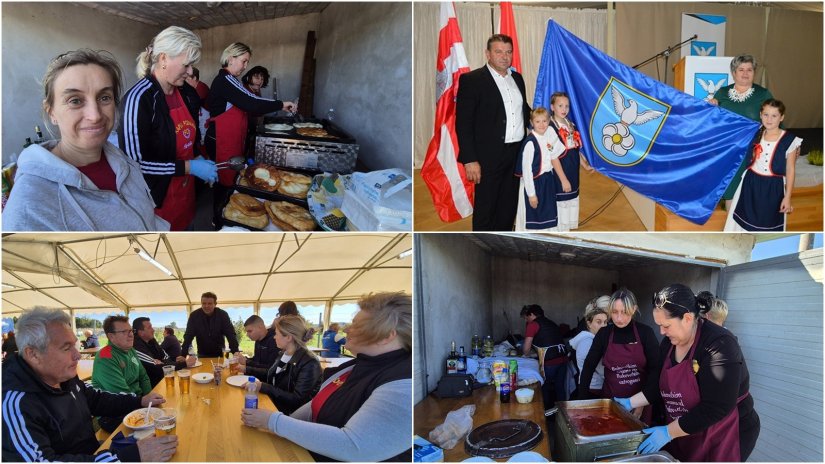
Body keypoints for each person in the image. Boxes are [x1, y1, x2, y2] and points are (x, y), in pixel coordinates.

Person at [3, 49, 169, 231]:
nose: (95, 115)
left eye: (104, 97)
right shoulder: (29, 206)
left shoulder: (122, 163)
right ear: (51, 112)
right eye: (75, 101)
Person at [241, 292, 412, 462]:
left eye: (357, 325)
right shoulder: (354, 366)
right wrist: (278, 427)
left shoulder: (403, 384)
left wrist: (274, 422)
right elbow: (314, 405)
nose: (346, 329)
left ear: (387, 335)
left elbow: (354, 446)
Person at [1, 308, 176, 461]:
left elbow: (96, 400)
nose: (78, 355)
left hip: (95, 452)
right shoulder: (17, 404)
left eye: (75, 346)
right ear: (33, 354)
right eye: (66, 347)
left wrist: (140, 401)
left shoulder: (63, 378)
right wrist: (130, 457)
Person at [616, 284, 760, 461]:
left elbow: (717, 406)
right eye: (659, 325)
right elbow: (658, 385)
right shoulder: (669, 344)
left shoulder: (719, 344)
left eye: (666, 325)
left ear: (687, 318)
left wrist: (668, 432)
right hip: (687, 429)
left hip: (727, 432)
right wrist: (629, 403)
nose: (661, 331)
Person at [119, 26, 217, 231]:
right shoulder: (139, 99)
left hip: (186, 193)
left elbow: (192, 135)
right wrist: (189, 167)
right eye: (187, 64)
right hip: (157, 202)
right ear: (163, 59)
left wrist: (198, 156)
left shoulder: (188, 93)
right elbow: (133, 166)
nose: (191, 72)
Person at [206, 42, 294, 223]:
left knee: (227, 181)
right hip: (222, 139)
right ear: (231, 59)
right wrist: (281, 104)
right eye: (244, 61)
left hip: (228, 138)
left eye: (247, 62)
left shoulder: (228, 80)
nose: (245, 66)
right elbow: (252, 101)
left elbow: (250, 105)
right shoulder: (225, 80)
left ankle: (223, 215)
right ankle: (220, 219)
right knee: (224, 182)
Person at [456, 34, 531, 231]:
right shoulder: (472, 80)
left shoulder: (518, 78)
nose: (504, 56)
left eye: (508, 52)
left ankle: (505, 235)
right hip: (487, 157)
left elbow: (524, 110)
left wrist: (552, 120)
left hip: (515, 154)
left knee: (508, 205)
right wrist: (470, 159)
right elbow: (463, 124)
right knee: (486, 207)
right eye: (498, 52)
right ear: (487, 53)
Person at [578, 289, 659, 425]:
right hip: (610, 402)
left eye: (625, 312)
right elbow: (588, 366)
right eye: (615, 312)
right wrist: (583, 402)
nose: (619, 318)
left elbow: (656, 370)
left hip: (641, 402)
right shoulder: (604, 334)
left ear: (634, 309)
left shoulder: (645, 333)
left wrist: (641, 403)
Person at [725, 99, 802, 232]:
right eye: (766, 114)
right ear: (760, 114)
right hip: (750, 183)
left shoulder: (790, 140)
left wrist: (787, 197)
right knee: (741, 221)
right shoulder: (755, 131)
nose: (769, 119)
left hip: (773, 188)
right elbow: (728, 128)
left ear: (781, 117)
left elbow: (790, 169)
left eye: (774, 115)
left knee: (769, 222)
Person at [708, 54, 774, 209]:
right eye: (741, 69)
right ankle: (731, 223)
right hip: (726, 148)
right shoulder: (722, 93)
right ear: (734, 72)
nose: (745, 73)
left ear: (754, 72)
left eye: (749, 70)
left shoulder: (763, 94)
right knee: (730, 187)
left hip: (752, 150)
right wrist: (711, 109)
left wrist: (789, 144)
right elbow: (713, 122)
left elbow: (776, 120)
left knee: (746, 188)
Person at [244, 315, 322, 415]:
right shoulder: (283, 353)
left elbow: (297, 400)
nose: (274, 337)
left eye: (276, 334)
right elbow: (271, 373)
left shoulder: (309, 363)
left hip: (289, 416)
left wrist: (264, 387)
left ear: (288, 337)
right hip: (275, 406)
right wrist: (247, 369)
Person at [92, 315, 154, 432]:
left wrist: (150, 400)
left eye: (130, 330)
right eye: (124, 332)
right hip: (113, 414)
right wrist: (144, 403)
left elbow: (143, 377)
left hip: (136, 403)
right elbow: (122, 394)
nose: (131, 334)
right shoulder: (105, 357)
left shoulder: (131, 351)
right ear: (111, 336)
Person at [514, 107, 568, 231]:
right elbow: (527, 172)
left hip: (547, 181)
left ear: (548, 121)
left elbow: (553, 155)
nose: (542, 124)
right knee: (535, 215)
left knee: (547, 214)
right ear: (532, 123)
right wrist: (531, 195)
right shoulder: (530, 143)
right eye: (538, 122)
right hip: (534, 183)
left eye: (544, 121)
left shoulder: (547, 134)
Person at [548, 92, 593, 231]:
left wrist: (584, 165)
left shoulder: (571, 125)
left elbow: (575, 149)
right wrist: (563, 179)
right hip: (560, 175)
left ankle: (566, 231)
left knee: (570, 203)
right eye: (560, 105)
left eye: (567, 106)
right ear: (552, 107)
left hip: (572, 172)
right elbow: (553, 157)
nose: (564, 109)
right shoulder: (550, 128)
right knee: (560, 208)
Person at [520, 304, 568, 407]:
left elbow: (526, 350)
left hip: (550, 362)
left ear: (531, 314)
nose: (526, 320)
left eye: (526, 317)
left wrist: (527, 353)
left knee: (543, 386)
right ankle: (563, 415)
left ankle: (545, 414)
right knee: (560, 387)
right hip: (564, 359)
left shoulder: (533, 324)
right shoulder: (551, 323)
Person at [132, 317, 195, 387]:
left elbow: (166, 357)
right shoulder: (136, 346)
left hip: (162, 380)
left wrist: (162, 363)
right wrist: (184, 363)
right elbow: (156, 369)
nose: (153, 330)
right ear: (141, 332)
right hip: (152, 387)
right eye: (150, 328)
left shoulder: (152, 341)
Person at [181, 291, 239, 357]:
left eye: (210, 303)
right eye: (204, 303)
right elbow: (188, 335)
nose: (206, 306)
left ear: (215, 304)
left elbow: (230, 334)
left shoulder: (222, 315)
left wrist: (235, 351)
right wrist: (183, 354)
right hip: (202, 354)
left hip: (219, 354)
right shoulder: (194, 316)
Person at [569, 307, 608, 397]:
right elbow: (601, 370)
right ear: (589, 323)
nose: (603, 326)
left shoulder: (591, 339)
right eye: (598, 322)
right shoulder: (588, 342)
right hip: (593, 387)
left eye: (605, 322)